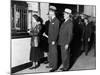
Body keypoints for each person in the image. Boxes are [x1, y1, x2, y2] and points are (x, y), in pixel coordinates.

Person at [47, 6, 60, 72]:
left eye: (49, 11)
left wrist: (54, 40)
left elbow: (56, 31)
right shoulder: (52, 20)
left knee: (54, 54)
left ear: (52, 12)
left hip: (53, 41)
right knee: (51, 53)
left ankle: (55, 67)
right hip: (50, 40)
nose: (49, 12)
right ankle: (51, 64)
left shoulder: (56, 20)